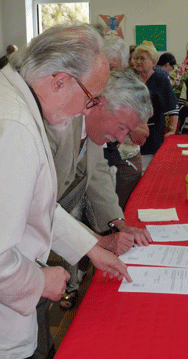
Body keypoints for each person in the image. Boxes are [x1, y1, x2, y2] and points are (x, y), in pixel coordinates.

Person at [0, 23, 132, 359]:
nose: (88, 111)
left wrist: (91, 247)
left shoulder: (7, 98)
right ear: (59, 81)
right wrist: (40, 282)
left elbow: (33, 202)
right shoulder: (11, 125)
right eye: (91, 99)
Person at [45, 69, 153, 309]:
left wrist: (118, 222)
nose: (120, 137)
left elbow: (98, 173)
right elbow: (38, 204)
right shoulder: (58, 123)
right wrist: (97, 244)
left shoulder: (93, 127)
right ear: (101, 104)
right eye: (122, 127)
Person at [103, 37, 150, 208]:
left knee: (121, 213)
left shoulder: (131, 89)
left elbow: (142, 136)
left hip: (124, 162)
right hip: (97, 165)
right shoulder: (95, 86)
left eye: (113, 68)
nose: (107, 73)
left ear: (124, 67)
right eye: (105, 66)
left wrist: (123, 122)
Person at [132, 41, 179, 171]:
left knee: (149, 170)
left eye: (142, 58)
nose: (138, 61)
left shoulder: (161, 80)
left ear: (153, 62)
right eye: (136, 58)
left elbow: (173, 107)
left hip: (154, 133)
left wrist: (172, 130)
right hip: (132, 133)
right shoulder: (131, 79)